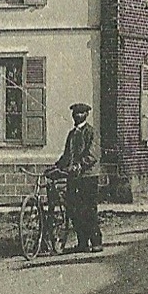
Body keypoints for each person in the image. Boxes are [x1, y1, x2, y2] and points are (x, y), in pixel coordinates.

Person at [55, 102, 102, 252]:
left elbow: (93, 154)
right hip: (73, 177)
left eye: (81, 113)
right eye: (75, 113)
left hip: (88, 177)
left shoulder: (91, 132)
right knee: (74, 210)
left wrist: (80, 165)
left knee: (89, 209)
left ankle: (96, 242)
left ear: (86, 115)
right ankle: (82, 243)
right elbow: (67, 155)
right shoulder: (72, 134)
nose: (77, 116)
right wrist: (57, 166)